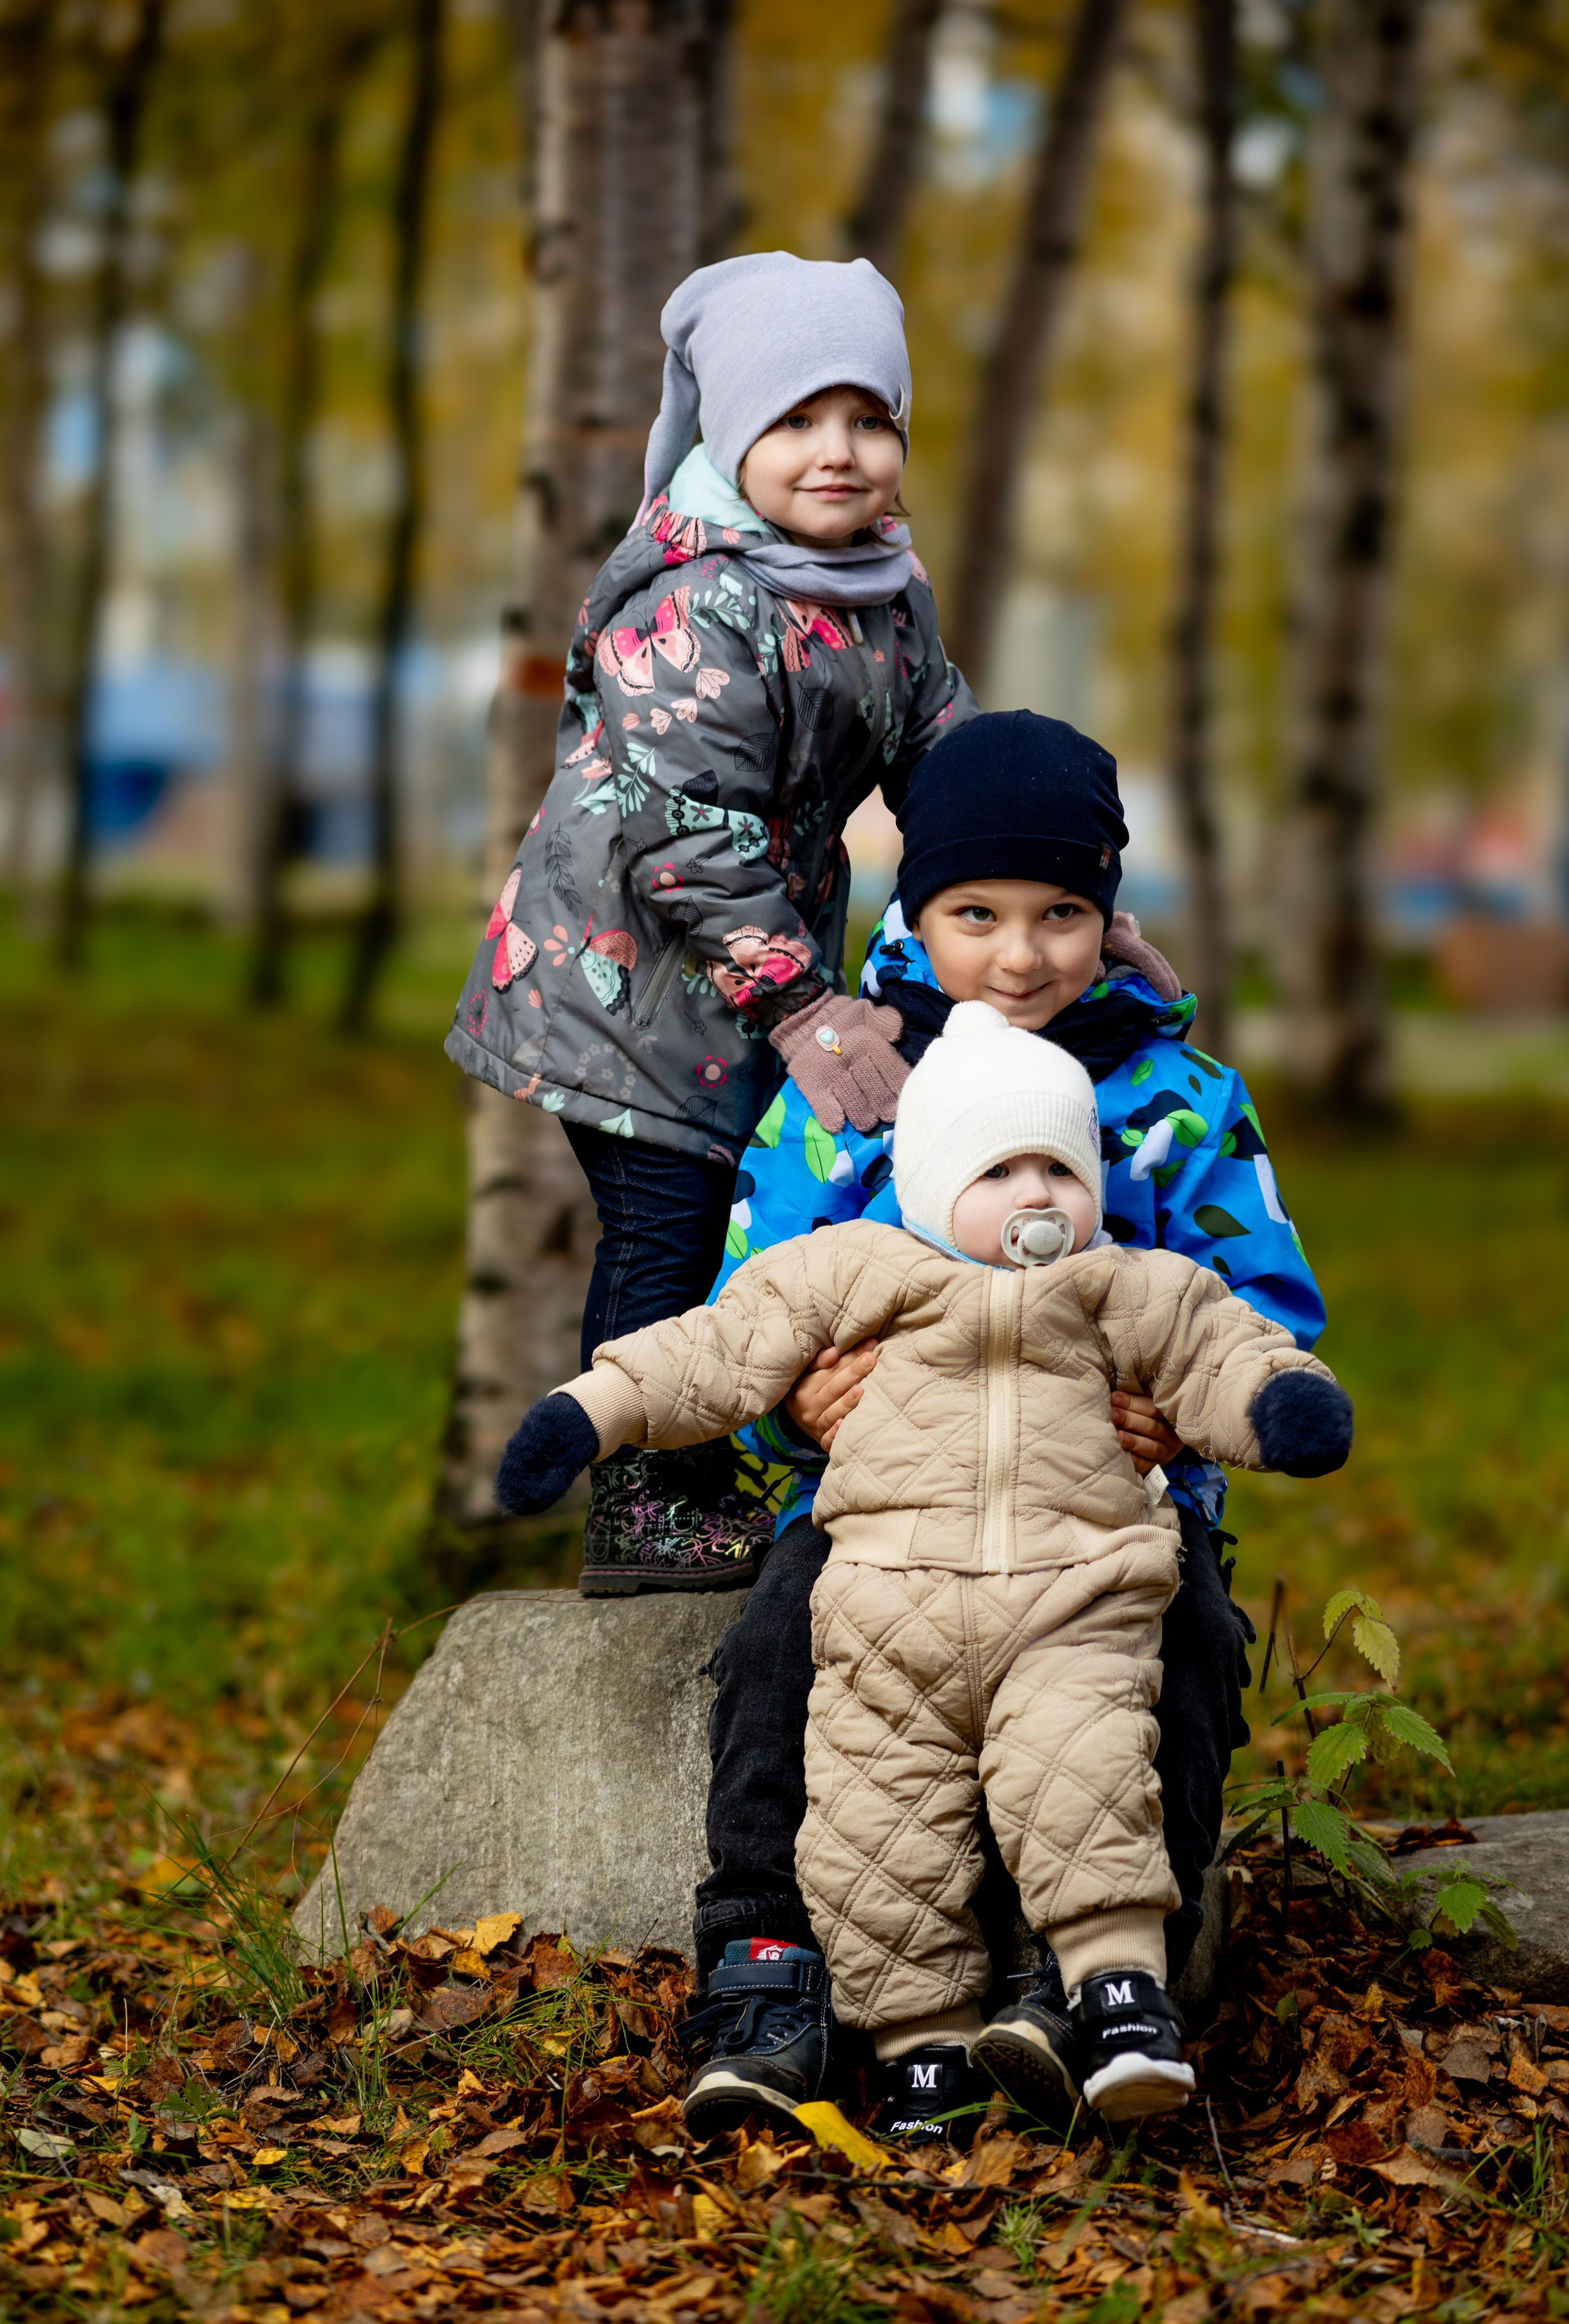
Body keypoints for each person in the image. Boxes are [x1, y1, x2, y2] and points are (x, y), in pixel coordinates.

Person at [494, 1004, 1353, 2134]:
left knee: (1088, 1768)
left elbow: (1225, 1346)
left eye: (1061, 1167)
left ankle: (1113, 1994)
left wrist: (1270, 1407)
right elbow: (716, 1346)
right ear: (932, 1182)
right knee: (878, 1825)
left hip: (1070, 1592)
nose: (1039, 1194)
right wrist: (589, 1414)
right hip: (889, 1595)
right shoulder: (859, 1265)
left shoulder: (1125, 1282)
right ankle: (915, 2052)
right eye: (1002, 1170)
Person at [676, 713, 1330, 2139]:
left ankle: (1094, 1981)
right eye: (975, 915)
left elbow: (1261, 1298)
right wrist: (797, 1404)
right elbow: (752, 1297)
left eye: (1060, 915)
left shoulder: (1175, 1101)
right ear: (916, 910)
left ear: (1108, 910)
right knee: (780, 1632)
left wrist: (1183, 1412)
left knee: (1193, 1644)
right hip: (886, 1517)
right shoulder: (850, 1088)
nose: (1019, 955)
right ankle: (764, 1959)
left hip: (1112, 1518)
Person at [446, 251, 976, 1596]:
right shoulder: (692, 607)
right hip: (616, 982)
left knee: (753, 1226)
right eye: (795, 421)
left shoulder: (883, 597)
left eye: (869, 419)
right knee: (665, 1231)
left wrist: (1062, 884)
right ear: (732, 437)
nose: (838, 452)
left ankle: (721, 1457)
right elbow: (684, 838)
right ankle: (646, 1500)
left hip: (737, 978)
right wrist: (804, 1005)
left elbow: (950, 766)